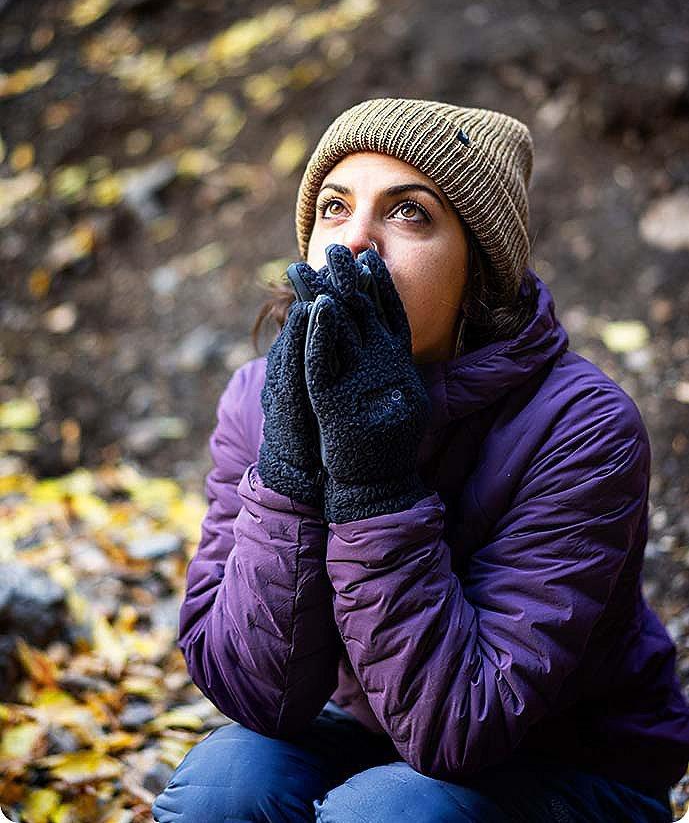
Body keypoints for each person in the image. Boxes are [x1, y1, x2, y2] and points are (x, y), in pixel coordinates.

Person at [152, 98, 689, 822]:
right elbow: (255, 694)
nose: (356, 242)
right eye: (335, 208)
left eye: (409, 214)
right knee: (226, 782)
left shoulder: (581, 426)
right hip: (377, 723)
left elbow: (465, 722)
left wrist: (375, 485)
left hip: (571, 761)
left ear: (479, 269)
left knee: (386, 812)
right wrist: (289, 470)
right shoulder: (258, 397)